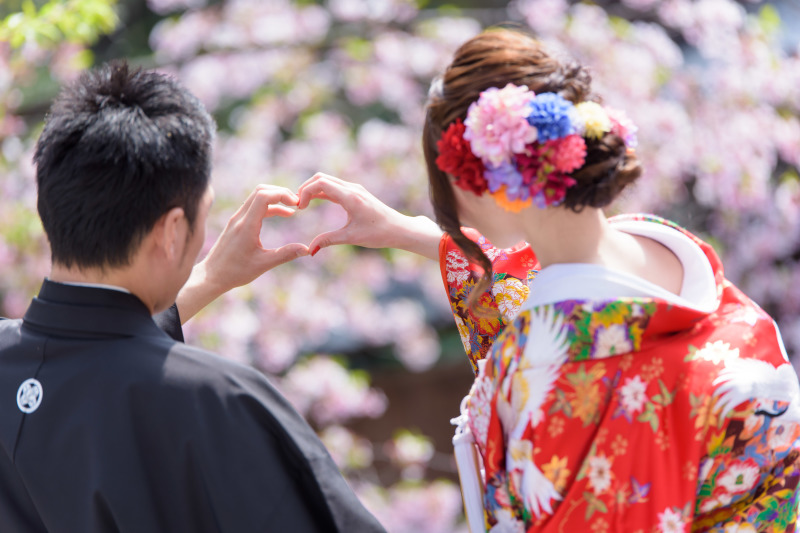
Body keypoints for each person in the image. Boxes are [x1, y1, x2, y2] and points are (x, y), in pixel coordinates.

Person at [299, 29, 800, 532]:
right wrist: (409, 233)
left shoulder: (559, 373)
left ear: (472, 181)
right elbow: (542, 280)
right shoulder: (668, 253)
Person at [0, 61, 386, 533]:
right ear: (172, 230)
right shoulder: (219, 401)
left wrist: (209, 276)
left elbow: (89, 356)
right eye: (203, 215)